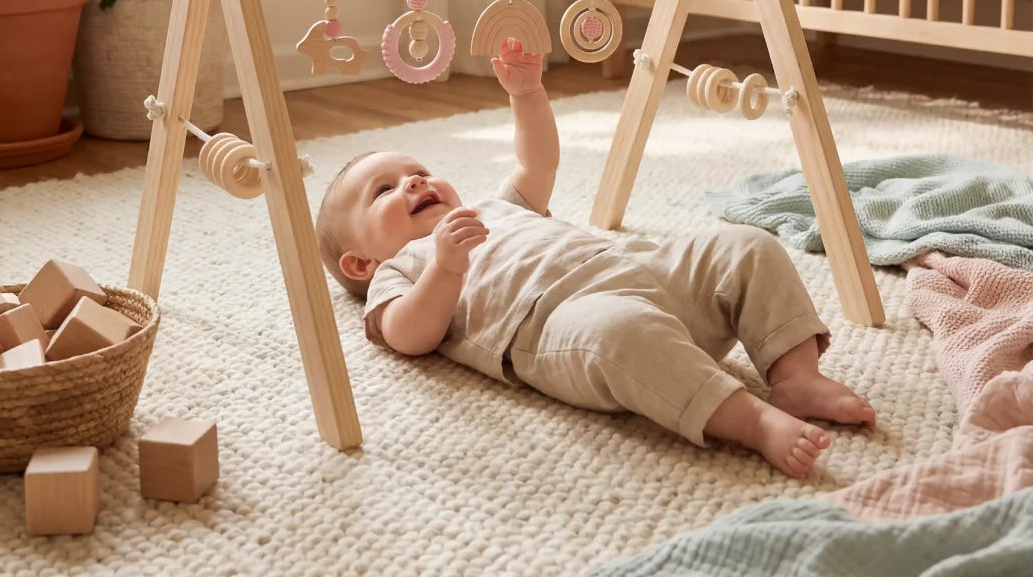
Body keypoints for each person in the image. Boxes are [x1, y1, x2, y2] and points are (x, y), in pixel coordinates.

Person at [315, 40, 875, 477]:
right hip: (565, 322)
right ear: (359, 264)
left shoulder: (491, 206)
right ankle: (750, 420)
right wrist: (443, 268)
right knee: (620, 334)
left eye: (415, 170)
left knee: (745, 246)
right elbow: (409, 334)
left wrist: (527, 94)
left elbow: (536, 166)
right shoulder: (400, 270)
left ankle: (795, 374)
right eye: (384, 191)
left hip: (637, 266)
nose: (412, 181)